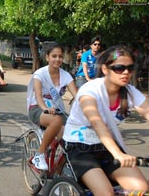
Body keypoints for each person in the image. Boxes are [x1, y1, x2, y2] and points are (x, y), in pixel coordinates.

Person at [63, 45, 149, 195]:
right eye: (119, 68)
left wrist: (116, 153)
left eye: (130, 67)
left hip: (107, 148)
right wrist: (118, 154)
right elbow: (97, 124)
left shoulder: (130, 92)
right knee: (106, 193)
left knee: (141, 189)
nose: (126, 72)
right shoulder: (90, 90)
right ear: (105, 69)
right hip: (80, 148)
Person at [27, 43, 77, 170]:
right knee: (57, 121)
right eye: (54, 56)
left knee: (71, 135)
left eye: (60, 56)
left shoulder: (66, 76)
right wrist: (45, 108)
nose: (58, 59)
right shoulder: (40, 74)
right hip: (38, 109)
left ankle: (59, 174)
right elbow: (38, 96)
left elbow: (77, 95)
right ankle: (39, 154)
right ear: (47, 57)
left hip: (57, 110)